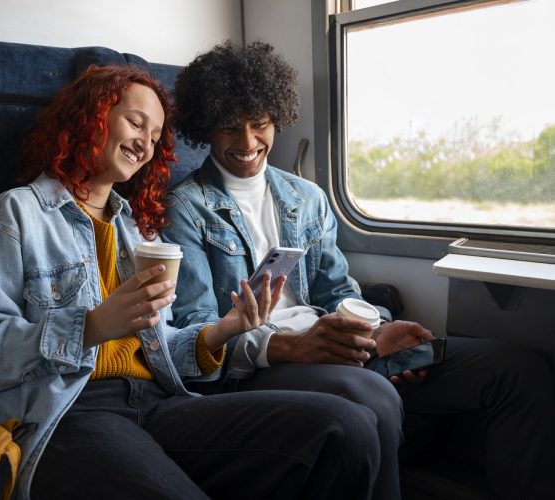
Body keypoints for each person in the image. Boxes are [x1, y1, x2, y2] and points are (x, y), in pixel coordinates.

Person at [0, 64, 384, 500]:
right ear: (89, 118)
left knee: (345, 427)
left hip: (158, 401)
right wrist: (90, 326)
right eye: (135, 123)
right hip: (66, 413)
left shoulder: (135, 231)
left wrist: (229, 327)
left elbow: (163, 347)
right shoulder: (13, 216)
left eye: (155, 136)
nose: (144, 144)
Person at [162, 41, 555, 500]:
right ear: (206, 129)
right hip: (265, 364)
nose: (249, 142)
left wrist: (378, 328)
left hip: (336, 341)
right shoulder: (184, 209)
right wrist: (290, 346)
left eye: (259, 124)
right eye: (230, 128)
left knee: (516, 369)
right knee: (373, 396)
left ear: (277, 118)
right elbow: (197, 332)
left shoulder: (305, 197)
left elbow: (335, 291)